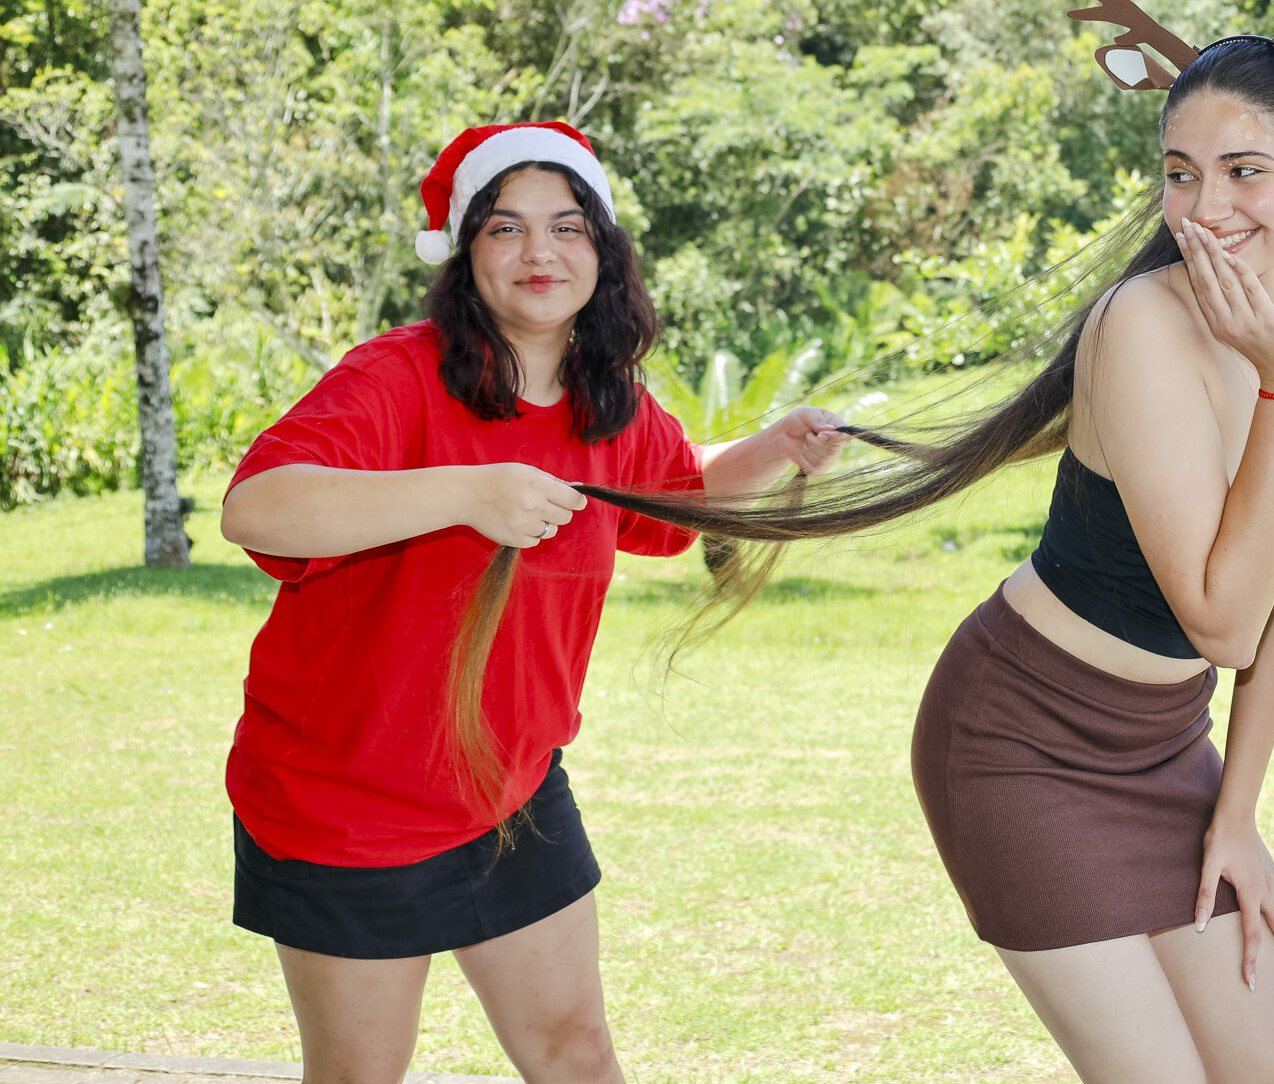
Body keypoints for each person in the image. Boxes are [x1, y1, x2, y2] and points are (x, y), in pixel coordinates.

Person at [511, 0, 1274, 1084]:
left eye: (1246, 170)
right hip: (1021, 744)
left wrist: (1238, 813)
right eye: (1180, 172)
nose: (1207, 209)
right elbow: (1223, 618)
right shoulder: (1142, 326)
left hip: (1169, 749)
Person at [218, 121, 846, 1084]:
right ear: (467, 254)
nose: (538, 252)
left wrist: (774, 448)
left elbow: (673, 493)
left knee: (575, 1053)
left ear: (604, 251)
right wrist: (467, 492)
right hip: (346, 802)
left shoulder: (609, 399)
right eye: (505, 227)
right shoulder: (394, 377)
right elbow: (258, 506)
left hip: (512, 789)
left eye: (567, 227)